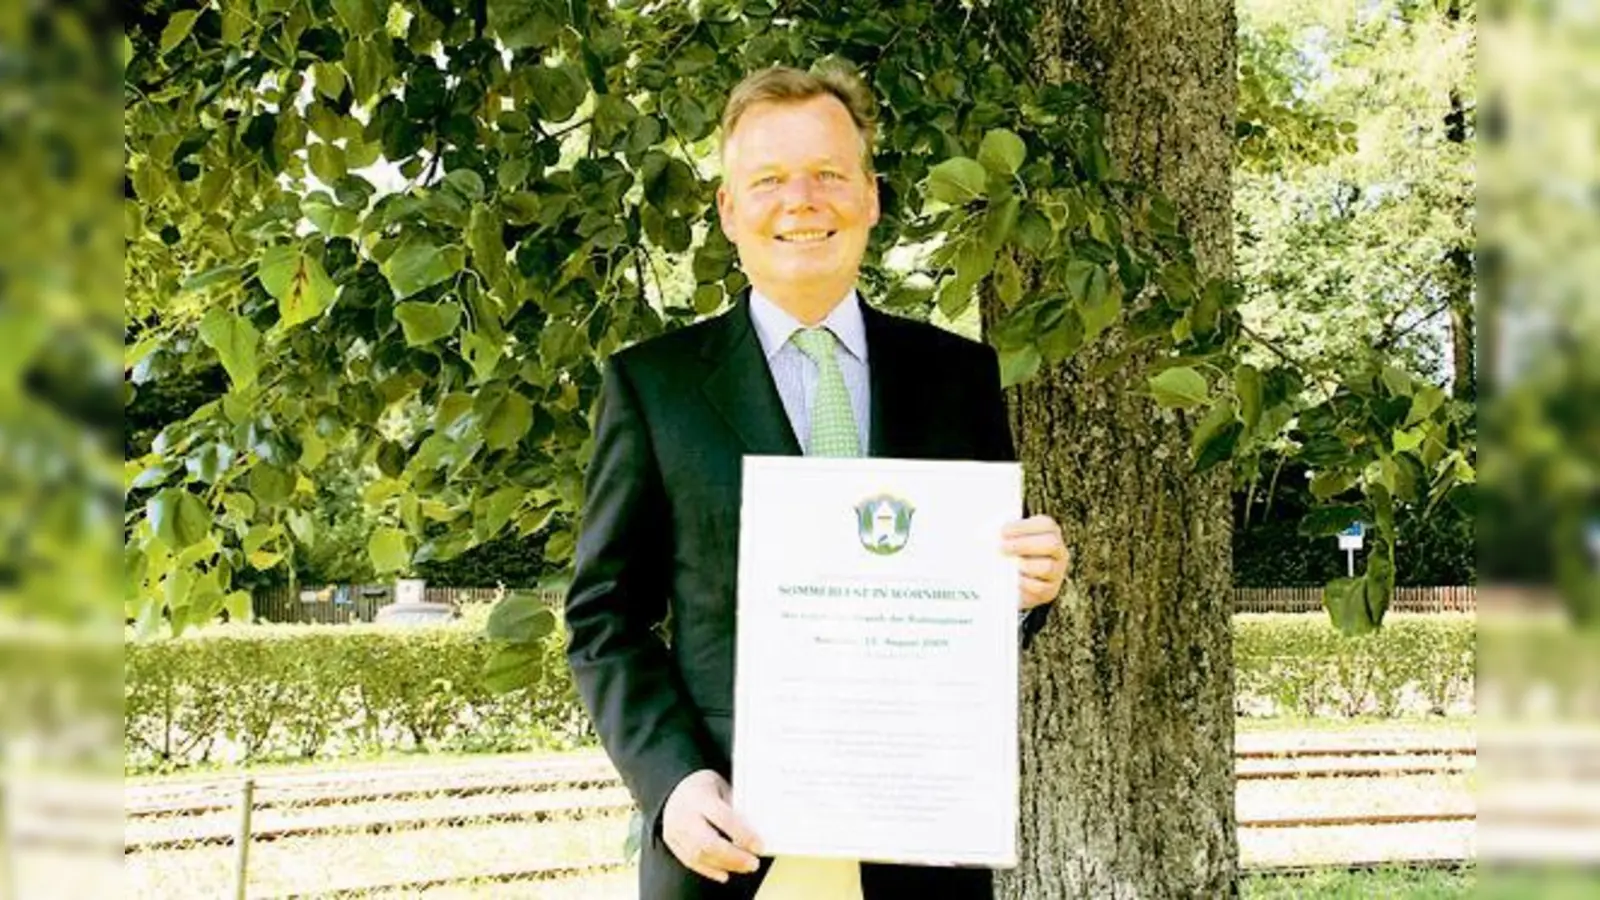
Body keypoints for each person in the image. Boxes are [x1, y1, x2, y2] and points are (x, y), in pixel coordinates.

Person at [564, 65, 1072, 900]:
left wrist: (1024, 590)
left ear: (871, 197)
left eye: (828, 173)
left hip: (921, 852)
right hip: (726, 848)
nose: (800, 200)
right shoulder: (652, 388)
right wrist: (673, 783)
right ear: (729, 210)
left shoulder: (959, 377)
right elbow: (603, 619)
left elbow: (981, 604)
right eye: (768, 179)